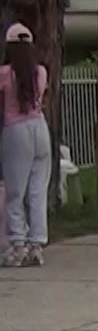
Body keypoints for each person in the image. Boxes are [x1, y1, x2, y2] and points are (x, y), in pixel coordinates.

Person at [1, 22, 52, 266]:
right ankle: (37, 245)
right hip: (40, 128)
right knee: (37, 189)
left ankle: (18, 245)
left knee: (15, 191)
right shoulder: (40, 72)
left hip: (16, 130)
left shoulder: (5, 74)